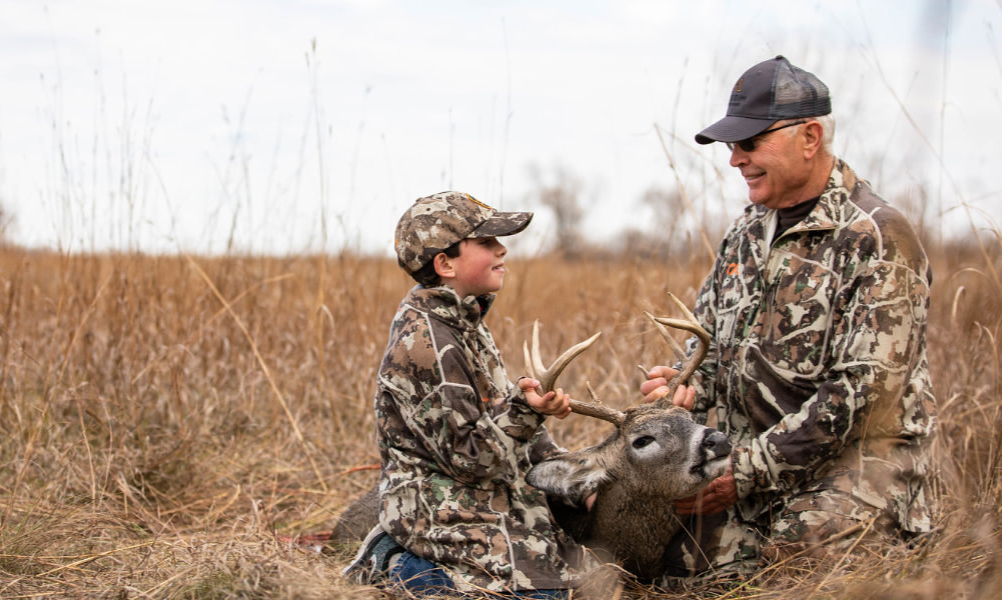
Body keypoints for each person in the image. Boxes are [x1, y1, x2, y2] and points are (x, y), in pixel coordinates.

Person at [639, 56, 937, 580]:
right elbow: (710, 342)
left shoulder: (880, 237)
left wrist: (746, 473)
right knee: (655, 556)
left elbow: (863, 395)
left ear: (811, 136)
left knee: (793, 570)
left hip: (852, 474)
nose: (736, 160)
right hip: (746, 473)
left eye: (750, 143)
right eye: (731, 145)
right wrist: (688, 384)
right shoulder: (745, 232)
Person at [345, 191, 585, 598]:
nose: (502, 249)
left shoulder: (464, 320)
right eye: (487, 243)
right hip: (430, 502)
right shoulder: (426, 343)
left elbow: (494, 415)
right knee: (541, 591)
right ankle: (393, 562)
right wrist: (525, 412)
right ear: (445, 264)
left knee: (571, 568)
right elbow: (470, 460)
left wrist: (572, 476)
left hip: (476, 484)